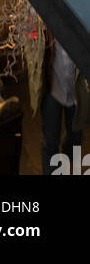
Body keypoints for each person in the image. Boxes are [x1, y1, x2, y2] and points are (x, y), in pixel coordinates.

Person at [42, 33, 88, 173]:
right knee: (50, 142)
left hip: (77, 89)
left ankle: (65, 167)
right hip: (52, 85)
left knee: (75, 139)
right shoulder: (51, 16)